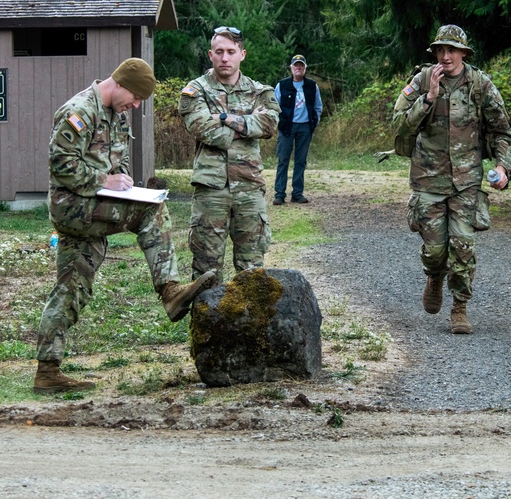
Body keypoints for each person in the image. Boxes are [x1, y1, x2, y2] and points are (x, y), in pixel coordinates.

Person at [35, 58, 215, 394]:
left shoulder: (116, 115)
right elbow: (61, 165)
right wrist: (105, 179)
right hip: (73, 207)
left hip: (92, 207)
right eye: (134, 98)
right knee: (153, 211)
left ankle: (47, 371)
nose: (134, 106)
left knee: (72, 289)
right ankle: (170, 292)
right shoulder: (79, 111)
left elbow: (119, 161)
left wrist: (127, 182)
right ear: (120, 83)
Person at [392, 24, 511, 334]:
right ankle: (434, 276)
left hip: (466, 181)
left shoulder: (480, 84)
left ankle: (460, 308)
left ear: (463, 53)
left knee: (463, 247)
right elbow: (400, 126)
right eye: (440, 50)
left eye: (451, 50)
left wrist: (502, 167)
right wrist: (429, 98)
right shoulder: (421, 81)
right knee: (435, 251)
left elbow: (503, 131)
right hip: (428, 180)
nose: (445, 56)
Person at [180, 26, 281, 281]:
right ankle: (206, 319)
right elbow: (202, 128)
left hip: (249, 187)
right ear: (210, 54)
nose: (225, 58)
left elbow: (269, 125)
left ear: (242, 54)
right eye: (219, 52)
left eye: (231, 52)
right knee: (206, 266)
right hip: (211, 188)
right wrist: (248, 124)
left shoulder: (261, 91)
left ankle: (250, 320)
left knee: (252, 266)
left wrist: (223, 118)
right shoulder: (195, 90)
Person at [273, 54, 322, 205]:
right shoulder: (282, 85)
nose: (298, 68)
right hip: (287, 127)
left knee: (300, 161)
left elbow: (318, 107)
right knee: (283, 160)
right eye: (296, 65)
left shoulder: (312, 86)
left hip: (305, 126)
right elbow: (274, 106)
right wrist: (279, 123)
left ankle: (297, 193)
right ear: (291, 68)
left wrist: (314, 122)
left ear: (305, 68)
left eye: (301, 65)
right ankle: (279, 194)